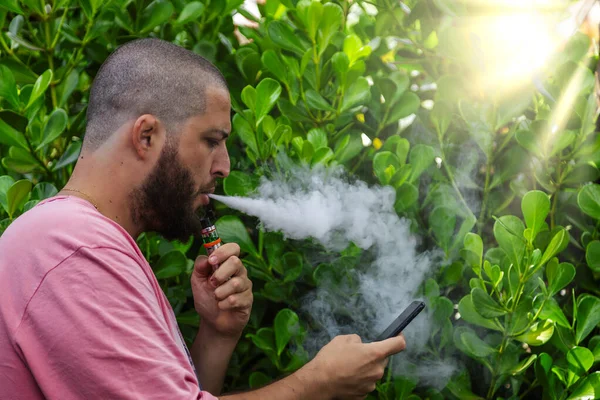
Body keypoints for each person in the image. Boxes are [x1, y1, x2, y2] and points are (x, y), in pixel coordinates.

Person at [0, 38, 406, 400]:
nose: (225, 166)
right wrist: (317, 383)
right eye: (212, 141)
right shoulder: (73, 248)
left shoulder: (81, 242)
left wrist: (216, 335)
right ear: (146, 137)